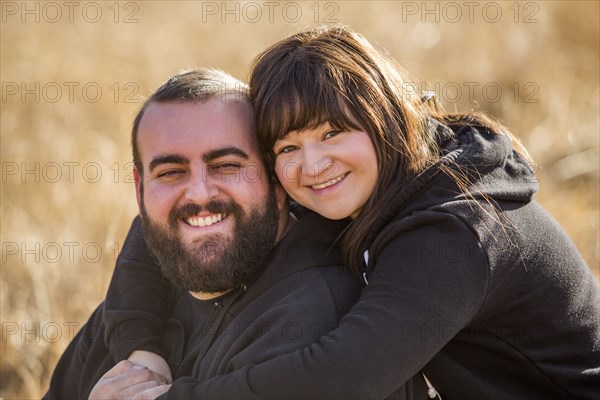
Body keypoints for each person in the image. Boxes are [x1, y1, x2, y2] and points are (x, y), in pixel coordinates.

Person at [99, 26, 600, 399]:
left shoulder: (456, 233)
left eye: (333, 132)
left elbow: (346, 376)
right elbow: (168, 222)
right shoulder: (346, 180)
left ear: (383, 119)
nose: (313, 163)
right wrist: (143, 352)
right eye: (287, 145)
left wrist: (171, 398)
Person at [43, 68, 429, 399]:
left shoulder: (311, 319)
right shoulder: (138, 303)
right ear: (139, 189)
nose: (198, 195)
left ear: (277, 181)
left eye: (226, 165)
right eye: (170, 172)